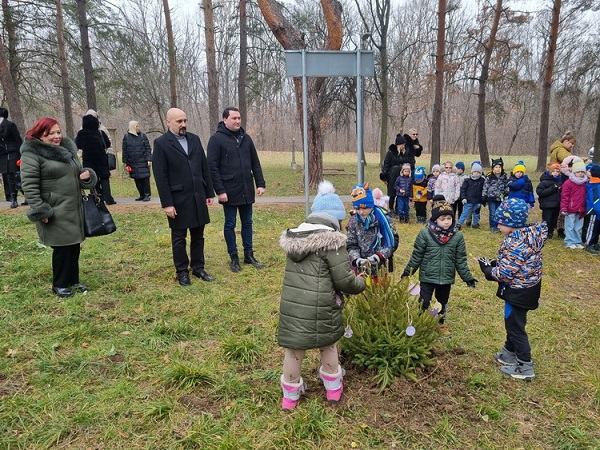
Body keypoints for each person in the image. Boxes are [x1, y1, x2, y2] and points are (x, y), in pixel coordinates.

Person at [278, 188, 367, 410]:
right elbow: (344, 281)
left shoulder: (295, 239)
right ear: (335, 219)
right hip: (322, 308)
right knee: (328, 345)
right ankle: (333, 388)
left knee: (294, 350)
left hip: (293, 307)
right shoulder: (333, 243)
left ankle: (290, 395)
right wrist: (361, 283)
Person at [20, 117, 97, 298]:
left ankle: (73, 281)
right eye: (51, 133)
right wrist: (40, 209)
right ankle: (60, 284)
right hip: (54, 209)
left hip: (73, 207)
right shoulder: (32, 155)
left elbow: (76, 174)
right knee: (62, 248)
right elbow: (29, 186)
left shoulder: (66, 150)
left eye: (58, 132)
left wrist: (86, 176)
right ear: (40, 135)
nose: (57, 136)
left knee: (74, 246)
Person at [476, 198, 548, 380]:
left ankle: (525, 366)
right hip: (528, 288)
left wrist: (487, 270)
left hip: (518, 291)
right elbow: (516, 262)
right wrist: (495, 262)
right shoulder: (528, 237)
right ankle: (509, 353)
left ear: (511, 223)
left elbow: (504, 274)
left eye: (501, 222)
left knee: (515, 327)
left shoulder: (516, 243)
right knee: (514, 322)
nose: (498, 226)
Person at [152, 108, 215, 286]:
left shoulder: (194, 139)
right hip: (177, 198)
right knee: (179, 238)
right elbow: (161, 176)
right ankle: (182, 272)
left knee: (198, 235)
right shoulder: (161, 144)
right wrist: (167, 203)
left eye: (185, 121)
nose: (183, 124)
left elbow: (204, 166)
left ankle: (198, 268)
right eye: (179, 121)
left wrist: (209, 192)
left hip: (197, 195)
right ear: (168, 122)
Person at [402, 196, 477, 335]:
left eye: (449, 218)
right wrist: (408, 272)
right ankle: (421, 322)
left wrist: (467, 277)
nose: (446, 222)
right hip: (428, 276)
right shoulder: (425, 234)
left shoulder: (457, 236)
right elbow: (416, 256)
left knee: (442, 302)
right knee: (424, 301)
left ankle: (440, 323)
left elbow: (460, 259)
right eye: (442, 219)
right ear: (435, 219)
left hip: (446, 277)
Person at [207, 107, 266, 273]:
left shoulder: (245, 138)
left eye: (239, 118)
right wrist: (220, 190)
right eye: (234, 118)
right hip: (228, 190)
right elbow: (212, 167)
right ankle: (234, 257)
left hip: (246, 188)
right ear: (225, 119)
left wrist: (260, 183)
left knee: (247, 223)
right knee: (230, 224)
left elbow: (255, 162)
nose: (238, 121)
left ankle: (249, 254)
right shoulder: (216, 140)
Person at [347, 183, 399, 277]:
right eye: (357, 209)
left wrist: (379, 256)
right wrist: (357, 259)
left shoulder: (383, 219)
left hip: (381, 267)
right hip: (361, 268)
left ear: (371, 205)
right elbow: (351, 244)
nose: (361, 212)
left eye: (364, 208)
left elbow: (393, 241)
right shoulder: (354, 221)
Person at [75, 110, 116, 204]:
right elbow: (107, 144)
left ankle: (96, 198)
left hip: (88, 160)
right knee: (104, 179)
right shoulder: (100, 132)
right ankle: (108, 199)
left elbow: (78, 145)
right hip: (101, 159)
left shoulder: (81, 133)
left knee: (93, 180)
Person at [381, 134, 413, 215]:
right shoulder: (390, 153)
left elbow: (409, 163)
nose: (403, 146)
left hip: (402, 176)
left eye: (404, 145)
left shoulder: (405, 153)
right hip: (392, 175)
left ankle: (398, 209)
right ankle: (391, 209)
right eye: (402, 145)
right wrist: (385, 177)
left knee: (401, 193)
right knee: (392, 194)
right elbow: (386, 165)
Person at [560, 160, 588, 249]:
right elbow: (564, 196)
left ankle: (577, 241)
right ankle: (569, 241)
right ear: (574, 172)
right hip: (570, 208)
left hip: (581, 208)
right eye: (578, 172)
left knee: (578, 226)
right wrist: (564, 208)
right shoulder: (568, 183)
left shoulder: (585, 183)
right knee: (569, 225)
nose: (580, 173)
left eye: (582, 172)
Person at [122, 120, 152, 201]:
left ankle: (147, 195)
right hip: (132, 162)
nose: (138, 128)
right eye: (137, 126)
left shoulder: (143, 136)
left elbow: (148, 148)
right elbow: (124, 150)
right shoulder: (126, 137)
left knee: (145, 178)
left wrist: (149, 159)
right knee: (137, 179)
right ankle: (141, 194)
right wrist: (125, 162)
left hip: (143, 161)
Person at [0, 107, 23, 208]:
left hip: (13, 153)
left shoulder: (10, 125)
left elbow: (18, 140)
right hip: (3, 155)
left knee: (15, 175)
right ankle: (11, 197)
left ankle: (14, 198)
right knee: (7, 175)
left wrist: (20, 154)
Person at [482, 157, 509, 233]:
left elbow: (506, 185)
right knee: (492, 213)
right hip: (491, 197)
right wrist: (484, 196)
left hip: (500, 197)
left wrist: (506, 192)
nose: (497, 169)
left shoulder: (504, 176)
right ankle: (493, 226)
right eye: (496, 167)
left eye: (499, 167)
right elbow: (485, 186)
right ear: (493, 168)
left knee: (499, 212)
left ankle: (498, 226)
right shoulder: (489, 176)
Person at [536, 162, 563, 239]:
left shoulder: (560, 181)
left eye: (557, 171)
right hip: (547, 205)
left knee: (554, 220)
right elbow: (540, 192)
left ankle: (550, 232)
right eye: (553, 171)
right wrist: (553, 188)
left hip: (556, 204)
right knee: (547, 219)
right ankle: (545, 232)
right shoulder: (544, 182)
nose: (555, 173)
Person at [457, 162, 485, 229]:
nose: (476, 173)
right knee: (465, 213)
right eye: (474, 172)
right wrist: (463, 198)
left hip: (478, 200)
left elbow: (484, 190)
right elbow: (463, 190)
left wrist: (484, 199)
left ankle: (475, 223)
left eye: (478, 172)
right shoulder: (467, 180)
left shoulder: (482, 180)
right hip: (468, 200)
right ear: (472, 172)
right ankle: (459, 224)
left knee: (476, 213)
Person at [584, 164, 600, 254]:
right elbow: (596, 200)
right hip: (593, 211)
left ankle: (595, 243)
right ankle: (589, 244)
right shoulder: (595, 185)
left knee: (597, 229)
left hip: (598, 211)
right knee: (592, 228)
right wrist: (598, 211)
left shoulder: (597, 184)